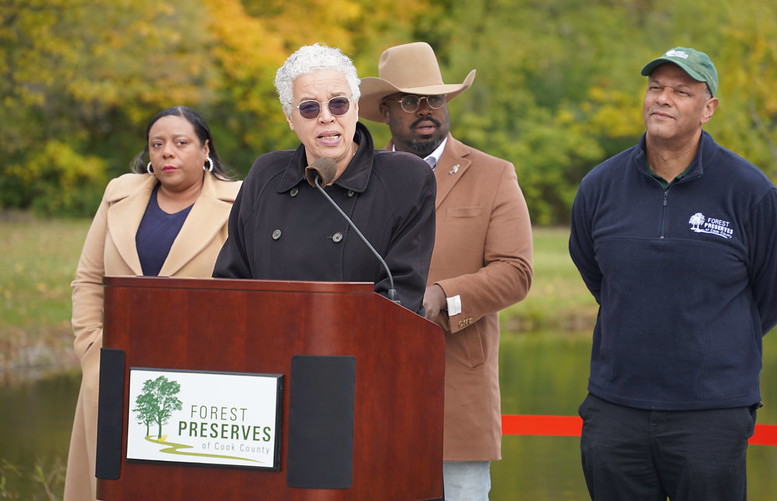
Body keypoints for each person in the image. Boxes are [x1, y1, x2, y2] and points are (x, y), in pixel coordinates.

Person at [569, 47, 777, 501]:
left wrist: (716, 340)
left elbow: (776, 291)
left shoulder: (751, 193)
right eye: (655, 88)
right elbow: (596, 273)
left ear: (708, 108)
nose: (663, 99)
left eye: (681, 91)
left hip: (711, 413)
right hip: (616, 409)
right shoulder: (600, 186)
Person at [359, 42, 533, 501]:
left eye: (434, 99)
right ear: (385, 110)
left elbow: (516, 271)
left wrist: (441, 296)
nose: (425, 110)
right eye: (411, 100)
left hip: (457, 388)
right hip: (368, 389)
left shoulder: (494, 174)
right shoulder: (356, 177)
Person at [64, 106, 242, 501]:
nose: (167, 153)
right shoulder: (118, 196)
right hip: (115, 366)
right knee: (113, 481)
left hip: (199, 372)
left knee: (180, 482)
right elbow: (89, 279)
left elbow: (248, 291)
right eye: (157, 144)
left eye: (181, 143)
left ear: (204, 149)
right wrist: (91, 348)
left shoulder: (239, 202)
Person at [212, 43, 436, 313]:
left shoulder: (404, 178)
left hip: (358, 351)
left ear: (355, 108)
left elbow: (401, 297)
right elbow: (229, 286)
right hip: (270, 348)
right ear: (290, 118)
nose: (326, 117)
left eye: (338, 103)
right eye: (309, 108)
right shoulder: (266, 175)